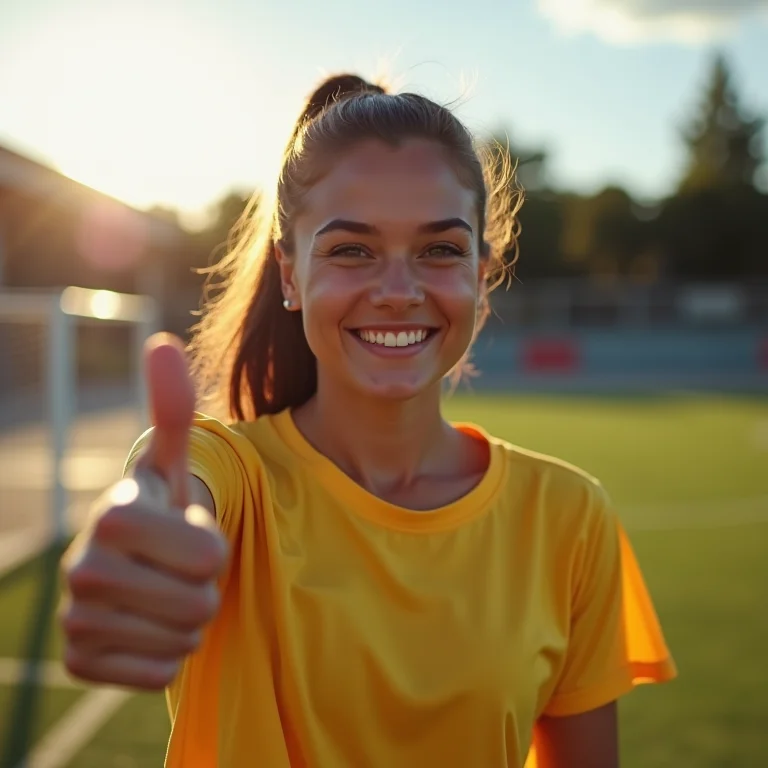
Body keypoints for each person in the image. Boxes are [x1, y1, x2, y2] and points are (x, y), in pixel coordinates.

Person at [59, 74, 677, 768]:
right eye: (352, 249)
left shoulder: (570, 516)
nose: (397, 292)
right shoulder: (234, 477)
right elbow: (173, 487)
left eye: (440, 249)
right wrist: (144, 529)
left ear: (481, 272)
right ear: (290, 275)